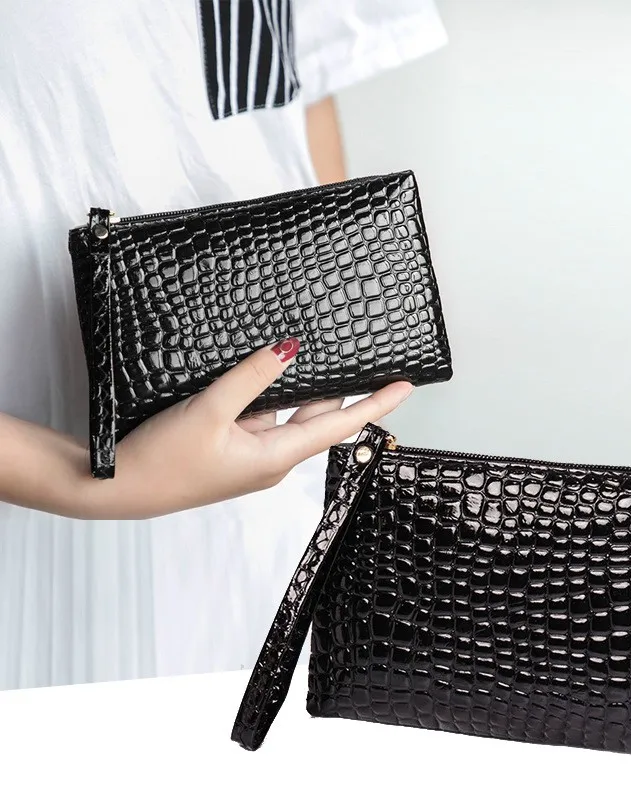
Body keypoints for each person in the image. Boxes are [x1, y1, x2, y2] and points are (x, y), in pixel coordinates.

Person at [0, 0, 447, 689]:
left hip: (271, 486)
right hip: (35, 511)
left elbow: (299, 89)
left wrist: (336, 328)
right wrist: (89, 480)